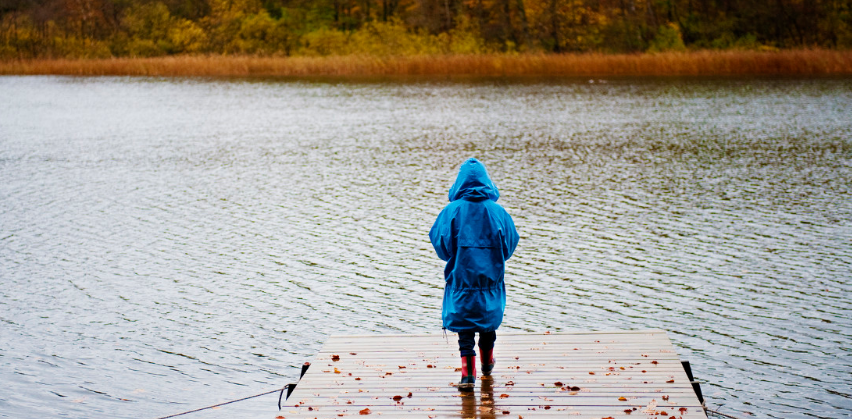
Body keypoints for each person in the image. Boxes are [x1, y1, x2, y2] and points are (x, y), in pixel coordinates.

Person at [429, 158, 519, 390]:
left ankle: (468, 375)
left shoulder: (451, 212)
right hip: (490, 279)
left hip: (461, 279)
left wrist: (456, 256)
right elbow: (510, 245)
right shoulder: (498, 212)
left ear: (459, 183)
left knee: (465, 327)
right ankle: (487, 363)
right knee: (487, 322)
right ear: (487, 182)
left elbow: (440, 245)